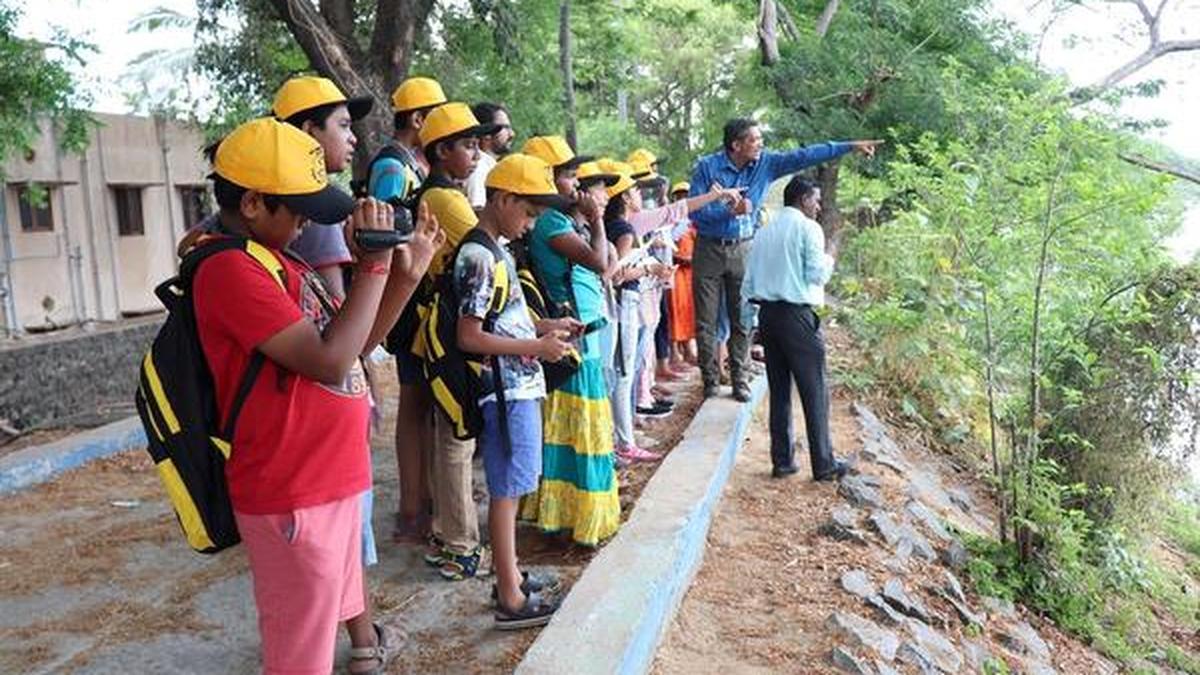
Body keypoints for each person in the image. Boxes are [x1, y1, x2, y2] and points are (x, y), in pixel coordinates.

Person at [192, 117, 439, 674]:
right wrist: (373, 263)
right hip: (292, 493)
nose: (306, 221)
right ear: (253, 202)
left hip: (326, 482)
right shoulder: (229, 269)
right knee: (300, 656)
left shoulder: (282, 260)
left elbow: (352, 347)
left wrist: (402, 278)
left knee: (326, 621)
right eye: (297, 207)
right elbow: (328, 362)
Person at [270, 74, 394, 674]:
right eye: (341, 124)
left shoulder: (322, 206)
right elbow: (337, 334)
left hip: (326, 411)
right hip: (312, 426)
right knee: (336, 549)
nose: (352, 135)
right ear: (304, 134)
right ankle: (363, 640)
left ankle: (360, 637)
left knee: (343, 545)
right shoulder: (313, 213)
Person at [451, 153, 579, 628]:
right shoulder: (480, 255)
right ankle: (509, 595)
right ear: (504, 199)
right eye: (527, 214)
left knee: (515, 484)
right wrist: (536, 346)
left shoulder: (497, 250)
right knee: (506, 489)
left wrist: (548, 327)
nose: (530, 226)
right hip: (504, 391)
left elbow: (505, 316)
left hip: (519, 385)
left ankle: (511, 575)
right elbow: (470, 335)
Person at [689, 118, 880, 402]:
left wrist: (849, 146)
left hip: (743, 248)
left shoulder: (766, 164)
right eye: (754, 139)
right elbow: (695, 213)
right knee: (706, 320)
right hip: (708, 248)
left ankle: (739, 378)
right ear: (736, 145)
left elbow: (806, 154)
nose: (760, 144)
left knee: (742, 317)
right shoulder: (707, 167)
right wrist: (729, 212)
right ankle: (710, 380)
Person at [518, 135, 620, 546]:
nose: (576, 185)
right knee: (575, 431)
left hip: (583, 333)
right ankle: (574, 519)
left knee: (582, 429)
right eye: (569, 176)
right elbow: (598, 262)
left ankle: (573, 515)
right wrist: (597, 219)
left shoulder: (561, 221)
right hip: (570, 336)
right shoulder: (551, 223)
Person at [414, 101, 500, 580]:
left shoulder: (445, 194)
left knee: (447, 433)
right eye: (468, 145)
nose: (475, 152)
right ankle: (462, 543)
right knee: (456, 437)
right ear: (442, 150)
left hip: (441, 323)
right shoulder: (445, 199)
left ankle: (446, 532)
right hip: (449, 326)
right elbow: (485, 238)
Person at [366, 76, 448, 546]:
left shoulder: (411, 164)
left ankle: (423, 499)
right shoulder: (393, 169)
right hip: (408, 300)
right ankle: (412, 508)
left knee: (423, 405)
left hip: (420, 297)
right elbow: (391, 237)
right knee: (413, 403)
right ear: (418, 120)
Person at [742, 176, 848, 481]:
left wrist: (751, 326)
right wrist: (830, 256)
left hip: (769, 317)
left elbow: (748, 285)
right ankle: (824, 464)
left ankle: (783, 460)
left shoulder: (763, 233)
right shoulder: (808, 228)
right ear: (802, 199)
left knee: (780, 391)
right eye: (815, 199)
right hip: (797, 317)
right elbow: (817, 275)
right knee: (815, 391)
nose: (818, 205)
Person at [666, 182, 698, 368]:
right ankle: (674, 352)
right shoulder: (670, 221)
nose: (683, 199)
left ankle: (688, 349)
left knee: (689, 310)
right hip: (675, 271)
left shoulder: (695, 220)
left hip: (692, 272)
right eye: (679, 195)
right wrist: (679, 258)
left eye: (686, 195)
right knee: (674, 310)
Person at [465, 102, 515, 210]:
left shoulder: (487, 167)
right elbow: (477, 211)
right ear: (488, 133)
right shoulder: (479, 168)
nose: (512, 134)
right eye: (505, 128)